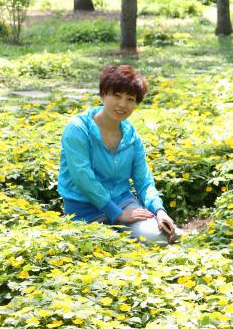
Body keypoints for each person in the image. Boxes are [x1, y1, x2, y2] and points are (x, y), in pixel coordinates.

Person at [58, 65, 177, 244]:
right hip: (84, 209)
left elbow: (144, 180)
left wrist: (159, 211)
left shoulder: (131, 136)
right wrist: (116, 213)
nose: (122, 104)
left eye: (130, 99)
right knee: (100, 244)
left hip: (123, 203)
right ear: (103, 94)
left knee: (158, 237)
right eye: (117, 95)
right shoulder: (78, 129)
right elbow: (82, 177)